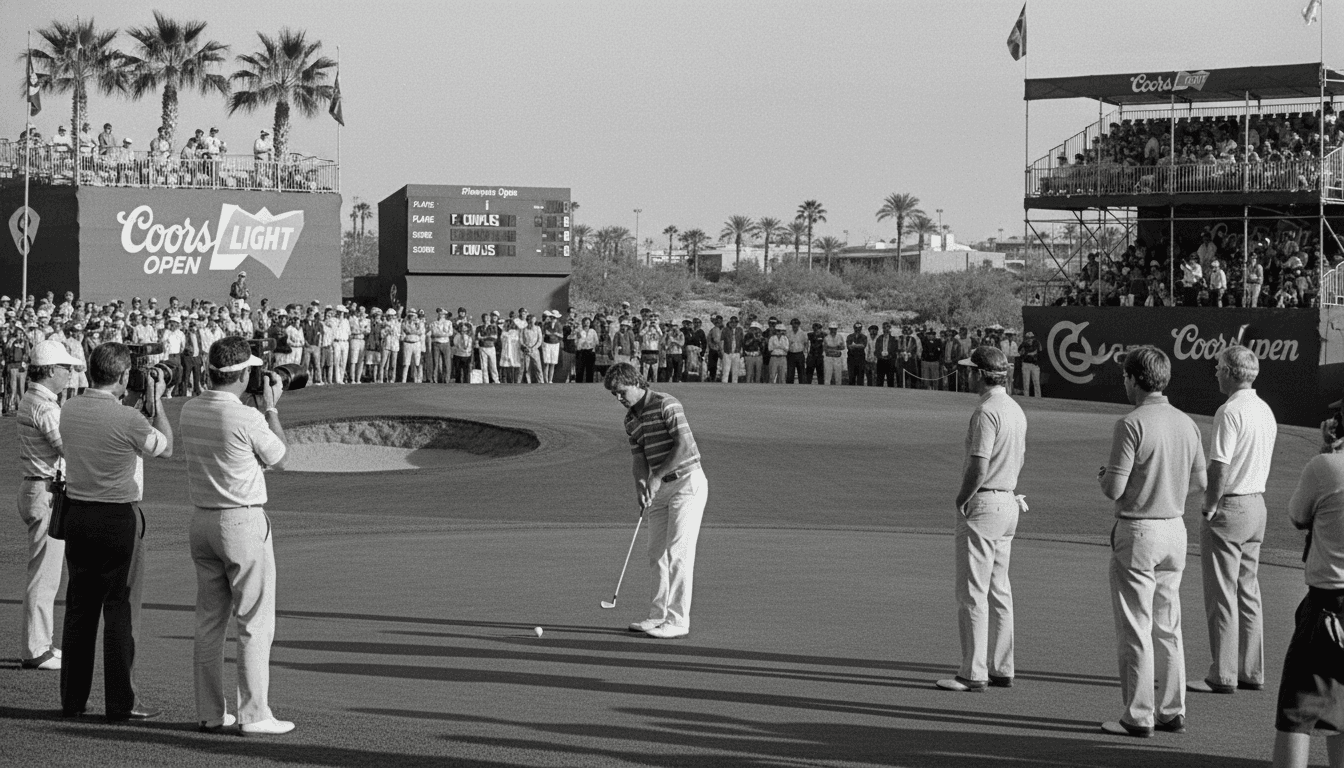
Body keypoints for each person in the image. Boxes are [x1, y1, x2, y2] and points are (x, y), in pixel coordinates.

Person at [180, 336, 293, 735]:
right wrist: (272, 408)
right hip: (241, 522)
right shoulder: (248, 417)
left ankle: (210, 713)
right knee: (254, 622)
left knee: (210, 622)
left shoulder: (190, 409)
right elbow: (281, 458)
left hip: (202, 521)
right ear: (243, 374)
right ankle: (254, 714)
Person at [59, 342, 173, 721]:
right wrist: (157, 402)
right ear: (123, 376)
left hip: (77, 515)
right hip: (117, 518)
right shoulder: (128, 419)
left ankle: (73, 700)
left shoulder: (69, 408)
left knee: (80, 609)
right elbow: (165, 447)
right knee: (120, 610)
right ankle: (122, 702)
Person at [1098, 345, 1206, 737]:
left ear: (1134, 379)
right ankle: (1172, 711)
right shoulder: (1188, 423)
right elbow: (1200, 481)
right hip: (1175, 529)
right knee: (1168, 625)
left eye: (1125, 377)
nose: (1124, 383)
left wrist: (1104, 477)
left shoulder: (1131, 423)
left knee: (1136, 627)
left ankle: (1138, 715)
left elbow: (1114, 488)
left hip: (1140, 530)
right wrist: (1168, 492)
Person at [937, 346, 1027, 693]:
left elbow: (979, 463)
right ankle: (1002, 668)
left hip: (986, 502)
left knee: (973, 591)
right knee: (999, 589)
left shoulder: (986, 411)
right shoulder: (1015, 408)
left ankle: (973, 673)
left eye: (969, 370)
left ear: (980, 374)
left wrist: (962, 498)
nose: (966, 376)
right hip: (1009, 502)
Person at [1190, 346, 1276, 697]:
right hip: (1257, 506)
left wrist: (1209, 506)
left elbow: (1220, 466)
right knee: (1248, 591)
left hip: (1231, 507)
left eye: (1218, 367)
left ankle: (1223, 674)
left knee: (1222, 593)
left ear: (1229, 372)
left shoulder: (1229, 411)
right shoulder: (1265, 409)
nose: (1215, 371)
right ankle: (1251, 671)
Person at [604, 362, 708, 640]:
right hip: (660, 489)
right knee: (656, 553)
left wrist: (657, 476)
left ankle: (678, 620)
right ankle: (658, 614)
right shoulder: (630, 420)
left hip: (686, 483)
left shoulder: (666, 404)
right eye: (614, 394)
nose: (618, 398)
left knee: (678, 552)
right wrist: (641, 484)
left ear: (637, 382)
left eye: (622, 391)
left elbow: (684, 445)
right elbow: (639, 457)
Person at [1273, 406, 1344, 767]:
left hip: (1329, 605)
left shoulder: (1325, 467)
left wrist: (1327, 449)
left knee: (1296, 713)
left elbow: (1298, 516)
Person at [17, 340, 79, 672]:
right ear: (51, 370)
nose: (70, 373)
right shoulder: (45, 407)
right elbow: (68, 449)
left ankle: (41, 643)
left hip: (38, 487)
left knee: (46, 573)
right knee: (44, 575)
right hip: (45, 491)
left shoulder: (35, 399)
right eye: (66, 368)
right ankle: (36, 650)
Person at [1019, 331, 1042, 398]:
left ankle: (1038, 398)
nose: (1029, 339)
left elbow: (1040, 353)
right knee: (1026, 383)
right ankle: (1026, 398)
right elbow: (1019, 352)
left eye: (1031, 337)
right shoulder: (1023, 344)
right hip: (1026, 364)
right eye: (1028, 338)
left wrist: (1038, 362)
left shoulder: (1037, 343)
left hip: (1034, 365)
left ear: (1033, 338)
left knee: (1036, 382)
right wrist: (1024, 353)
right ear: (1026, 338)